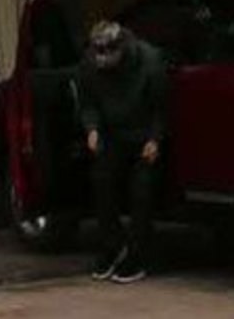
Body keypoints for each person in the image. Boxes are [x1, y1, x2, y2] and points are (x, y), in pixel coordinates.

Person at [79, 19, 169, 284]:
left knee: (141, 190)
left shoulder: (149, 62)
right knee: (101, 183)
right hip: (112, 134)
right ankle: (112, 245)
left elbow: (161, 107)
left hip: (143, 134)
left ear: (121, 48)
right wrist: (92, 128)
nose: (102, 58)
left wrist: (155, 139)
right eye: (98, 52)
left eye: (108, 52)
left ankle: (137, 254)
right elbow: (88, 102)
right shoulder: (90, 65)